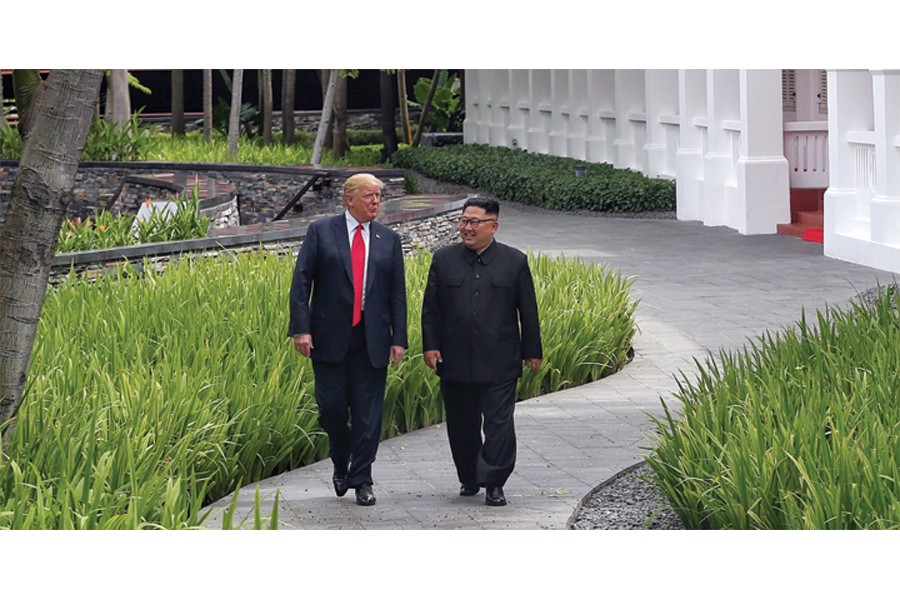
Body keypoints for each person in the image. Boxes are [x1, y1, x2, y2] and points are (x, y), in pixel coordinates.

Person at [288, 173, 407, 507]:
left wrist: (399, 338)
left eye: (379, 197)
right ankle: (341, 462)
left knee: (369, 415)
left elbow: (398, 292)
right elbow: (302, 283)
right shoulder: (322, 231)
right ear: (349, 199)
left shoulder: (388, 239)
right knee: (332, 411)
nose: (375, 202)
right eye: (369, 196)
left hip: (372, 339)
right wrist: (301, 329)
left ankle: (362, 479)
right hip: (328, 338)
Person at [421, 197, 542, 507]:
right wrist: (431, 346)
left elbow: (527, 310)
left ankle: (494, 482)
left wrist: (532, 350)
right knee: (462, 424)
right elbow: (431, 309)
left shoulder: (514, 261)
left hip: (500, 359)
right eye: (464, 221)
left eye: (475, 222)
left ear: (493, 226)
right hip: (455, 358)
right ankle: (469, 477)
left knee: (499, 423)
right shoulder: (443, 259)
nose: (467, 228)